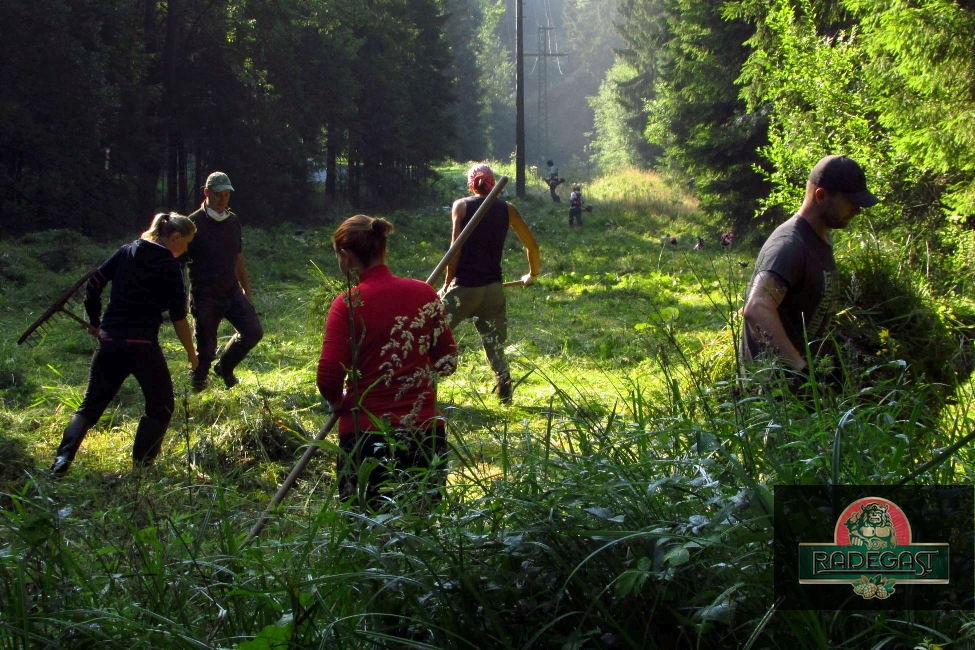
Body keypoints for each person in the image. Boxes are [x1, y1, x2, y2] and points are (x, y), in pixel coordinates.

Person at [317, 215, 458, 508]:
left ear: (346, 257)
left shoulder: (348, 304)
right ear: (383, 248)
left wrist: (340, 403)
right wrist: (414, 371)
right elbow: (447, 362)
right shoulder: (423, 292)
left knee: (365, 530)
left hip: (366, 438)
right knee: (421, 529)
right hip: (425, 434)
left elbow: (329, 376)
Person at [51, 213, 199, 475]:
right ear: (175, 238)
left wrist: (97, 322)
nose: (185, 250)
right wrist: (191, 353)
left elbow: (94, 282)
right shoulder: (169, 266)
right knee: (161, 405)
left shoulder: (127, 251)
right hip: (142, 347)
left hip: (110, 342)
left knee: (90, 406)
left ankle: (62, 460)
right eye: (185, 243)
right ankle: (141, 469)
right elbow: (179, 317)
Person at [740, 154, 879, 379]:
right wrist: (803, 370)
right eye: (850, 202)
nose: (858, 210)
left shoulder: (820, 239)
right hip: (776, 397)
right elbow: (757, 308)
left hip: (803, 395)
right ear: (821, 196)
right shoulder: (789, 245)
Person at [440, 163, 541, 404]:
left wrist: (446, 284)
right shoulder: (508, 209)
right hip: (493, 290)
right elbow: (532, 246)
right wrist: (532, 274)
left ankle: (422, 386)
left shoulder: (461, 206)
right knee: (494, 345)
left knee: (431, 335)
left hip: (464, 288)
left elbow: (455, 251)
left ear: (470, 184)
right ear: (493, 182)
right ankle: (504, 388)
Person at [185, 171, 263, 391]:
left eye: (227, 195)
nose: (222, 200)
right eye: (218, 194)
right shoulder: (192, 224)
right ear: (206, 192)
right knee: (205, 352)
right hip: (205, 296)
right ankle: (198, 389)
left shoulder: (233, 221)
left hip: (231, 291)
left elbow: (238, 257)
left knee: (253, 331)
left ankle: (225, 368)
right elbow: (179, 259)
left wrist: (246, 291)